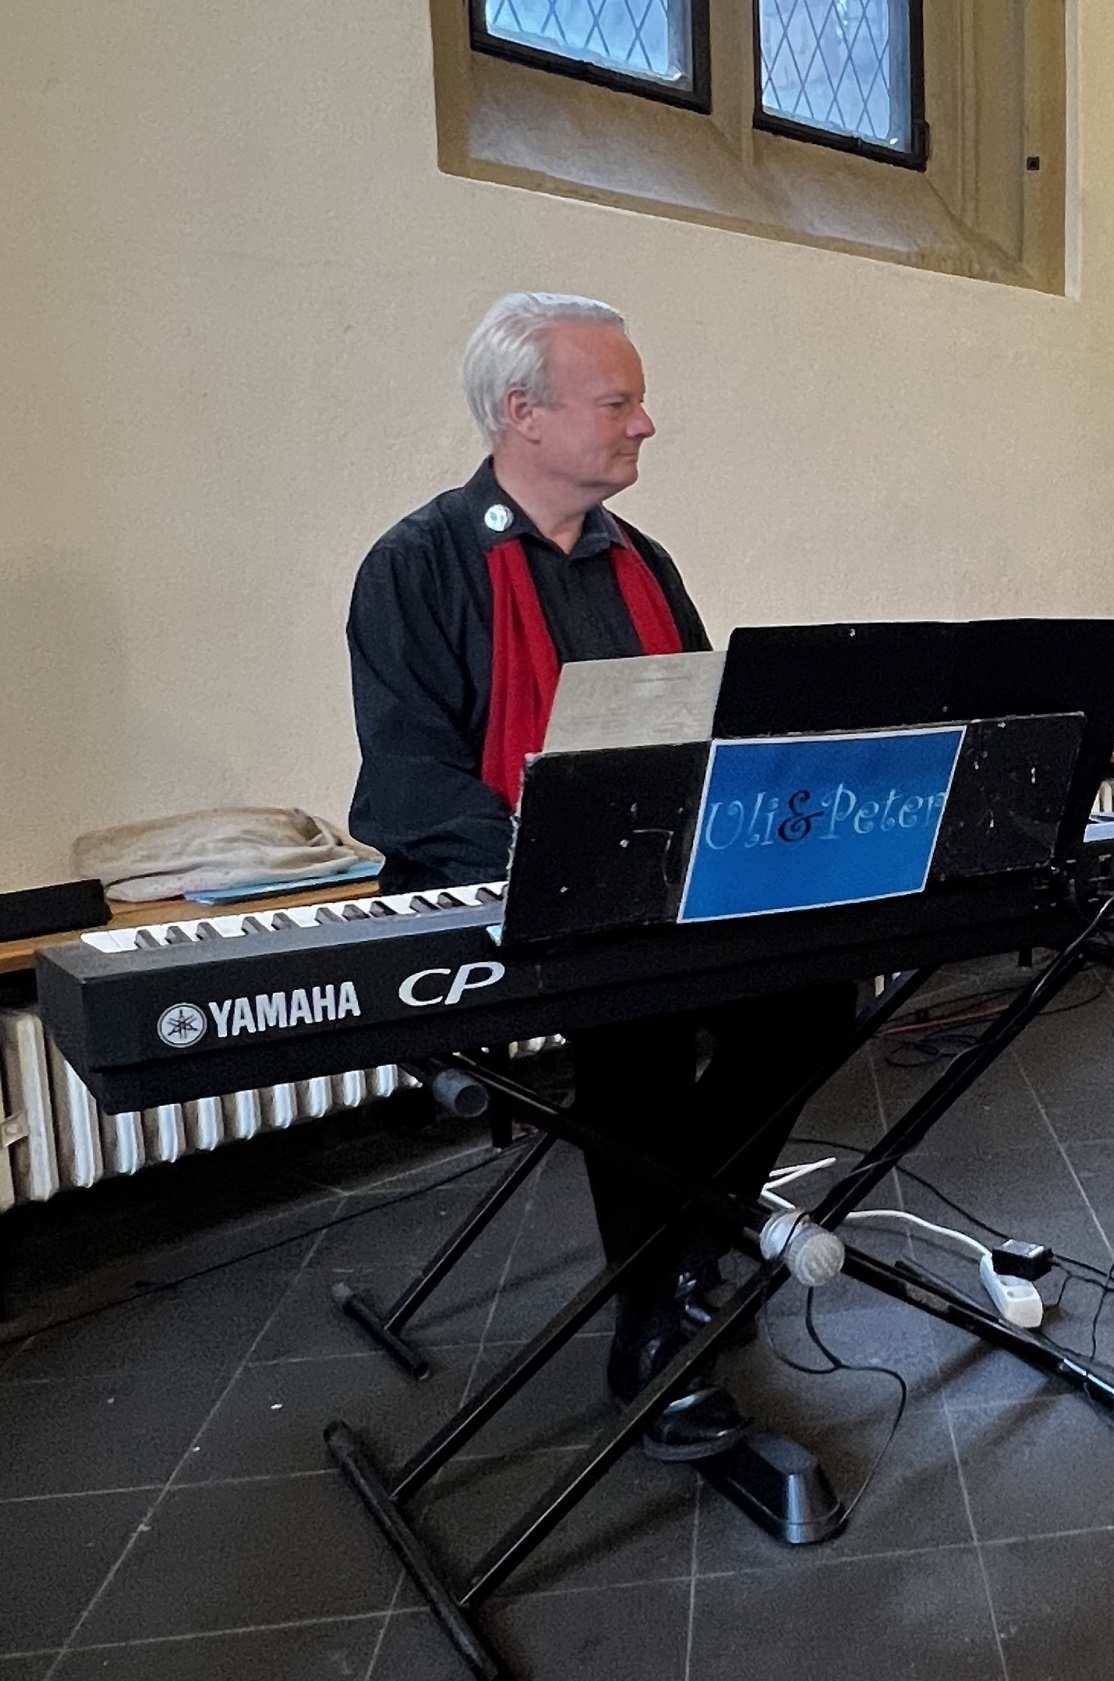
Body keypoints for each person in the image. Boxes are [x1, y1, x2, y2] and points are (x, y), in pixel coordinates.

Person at [346, 292, 850, 1460]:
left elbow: (702, 732)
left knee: (816, 989)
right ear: (523, 414)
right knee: (640, 1029)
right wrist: (565, 868)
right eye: (618, 402)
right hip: (499, 894)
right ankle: (652, 1331)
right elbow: (409, 787)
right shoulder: (416, 564)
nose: (645, 424)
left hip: (644, 882)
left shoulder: (642, 563)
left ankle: (693, 1236)